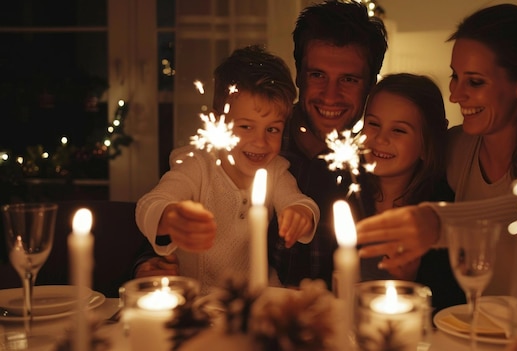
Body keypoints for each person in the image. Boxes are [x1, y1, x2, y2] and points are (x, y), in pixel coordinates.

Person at [356, 3, 517, 307]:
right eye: (455, 77)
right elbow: (399, 153)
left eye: (475, 81)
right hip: (473, 327)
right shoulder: (458, 146)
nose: (456, 95)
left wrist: (437, 223)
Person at [135, 45, 320, 294]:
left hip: (256, 296)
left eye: (272, 129)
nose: (260, 141)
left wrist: (301, 214)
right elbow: (151, 203)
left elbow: (300, 202)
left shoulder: (275, 170)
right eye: (246, 127)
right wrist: (169, 217)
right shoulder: (197, 165)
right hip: (196, 298)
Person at [268, 0, 388, 289]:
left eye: (348, 79)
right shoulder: (257, 140)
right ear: (299, 75)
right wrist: (152, 259)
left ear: (370, 85)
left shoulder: (378, 163)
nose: (330, 95)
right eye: (318, 75)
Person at [357, 73, 465, 313]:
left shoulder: (439, 213)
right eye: (373, 123)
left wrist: (412, 278)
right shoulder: (343, 191)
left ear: (427, 143)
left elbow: (452, 307)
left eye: (399, 130)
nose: (381, 138)